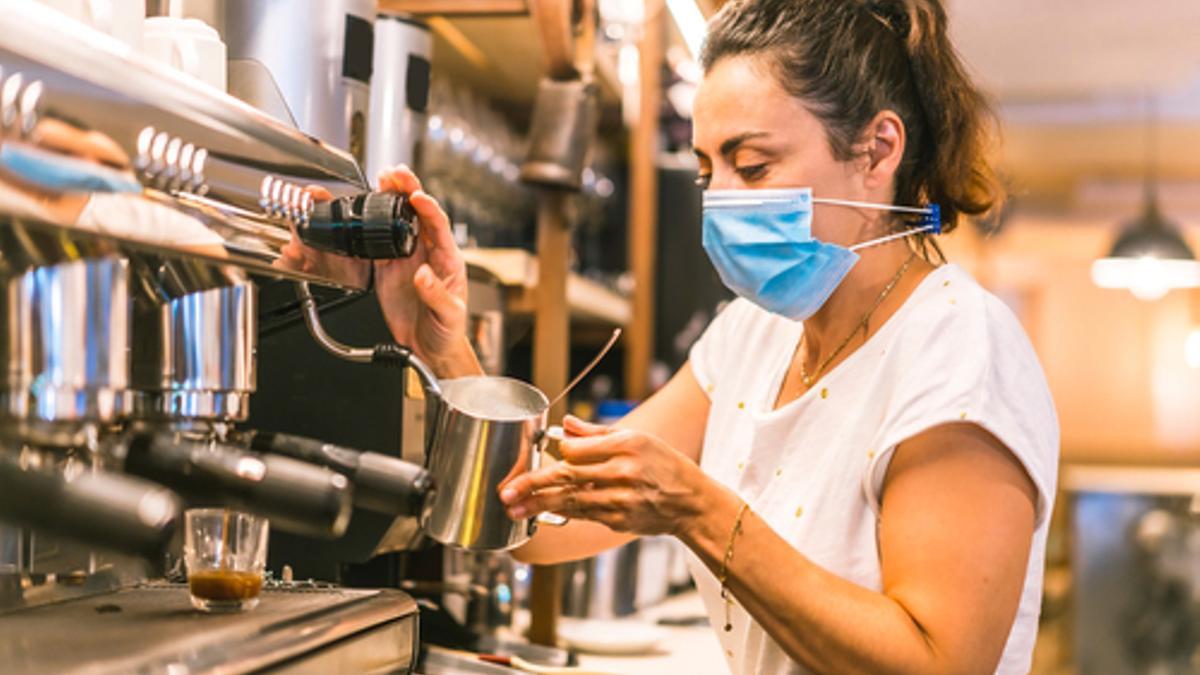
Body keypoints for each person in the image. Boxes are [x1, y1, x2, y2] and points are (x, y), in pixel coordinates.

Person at [366, 1, 1058, 672]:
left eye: (752, 166)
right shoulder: (751, 338)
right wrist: (444, 347)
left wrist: (697, 509)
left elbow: (939, 660)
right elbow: (543, 512)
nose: (720, 197)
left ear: (877, 151)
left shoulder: (961, 350)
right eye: (705, 170)